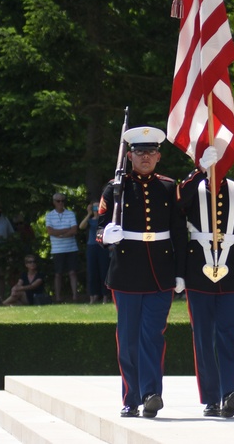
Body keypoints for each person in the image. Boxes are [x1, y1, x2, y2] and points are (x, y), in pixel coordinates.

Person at [98, 125, 187, 419]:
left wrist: (180, 272)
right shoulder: (115, 187)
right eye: (139, 152)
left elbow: (178, 232)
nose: (145, 157)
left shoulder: (168, 186)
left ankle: (151, 394)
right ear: (130, 156)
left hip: (160, 271)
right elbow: (99, 226)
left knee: (153, 336)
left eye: (150, 152)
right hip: (126, 271)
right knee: (128, 338)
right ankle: (130, 397)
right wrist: (105, 235)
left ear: (159, 156)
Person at [178, 146, 234, 418]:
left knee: (229, 335)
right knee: (203, 336)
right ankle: (211, 397)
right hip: (198, 270)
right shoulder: (192, 187)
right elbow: (177, 205)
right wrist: (198, 171)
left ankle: (229, 391)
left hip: (232, 270)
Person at [45, 193, 79, 303]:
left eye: (62, 201)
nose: (61, 203)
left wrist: (60, 233)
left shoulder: (70, 214)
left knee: (72, 272)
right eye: (58, 201)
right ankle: (58, 297)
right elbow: (50, 231)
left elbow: (74, 230)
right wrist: (65, 230)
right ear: (54, 202)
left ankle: (75, 296)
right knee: (58, 274)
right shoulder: (49, 215)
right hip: (57, 249)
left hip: (71, 248)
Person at [80, 200, 110, 304]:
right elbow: (81, 226)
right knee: (92, 272)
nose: (96, 209)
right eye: (94, 207)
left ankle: (105, 296)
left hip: (102, 247)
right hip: (91, 246)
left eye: (98, 207)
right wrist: (89, 214)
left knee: (104, 271)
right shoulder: (90, 220)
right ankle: (93, 296)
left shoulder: (104, 219)